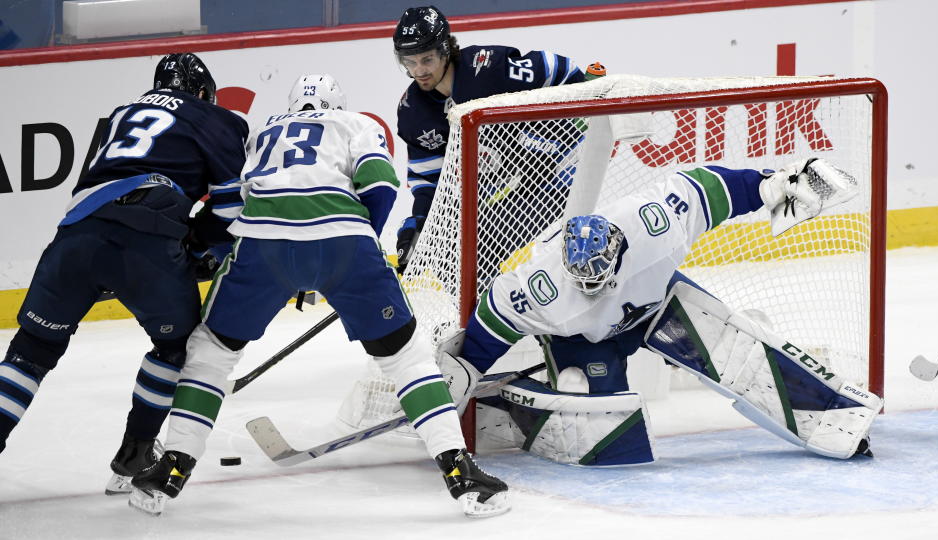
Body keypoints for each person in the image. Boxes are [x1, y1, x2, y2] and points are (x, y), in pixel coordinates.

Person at [127, 74, 510, 519]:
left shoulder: (268, 127)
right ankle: (460, 474)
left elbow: (236, 196)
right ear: (337, 101)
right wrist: (358, 247)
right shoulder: (353, 122)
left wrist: (245, 259)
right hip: (343, 239)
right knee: (406, 358)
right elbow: (381, 185)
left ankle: (170, 470)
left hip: (262, 242)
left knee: (211, 351)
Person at [439, 157, 883, 466]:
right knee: (610, 442)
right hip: (582, 340)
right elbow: (489, 328)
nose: (592, 289)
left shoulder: (653, 222)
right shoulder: (543, 287)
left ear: (619, 250)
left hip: (656, 305)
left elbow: (713, 188)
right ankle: (502, 411)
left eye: (600, 277)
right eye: (584, 283)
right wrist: (462, 378)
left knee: (741, 347)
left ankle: (833, 416)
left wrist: (777, 184)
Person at [0, 53, 248, 492]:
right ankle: (136, 450)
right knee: (177, 347)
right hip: (149, 238)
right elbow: (229, 208)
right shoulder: (217, 119)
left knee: (30, 351)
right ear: (205, 93)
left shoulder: (122, 114)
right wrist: (196, 243)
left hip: (77, 234)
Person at [392, 5, 586, 273]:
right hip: (513, 179)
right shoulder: (414, 111)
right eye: (410, 62)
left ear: (445, 50)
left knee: (481, 246)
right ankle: (477, 313)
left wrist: (552, 135)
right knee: (447, 253)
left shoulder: (487, 69)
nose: (419, 71)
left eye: (426, 59)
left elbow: (564, 71)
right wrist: (419, 222)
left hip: (558, 172)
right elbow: (429, 180)